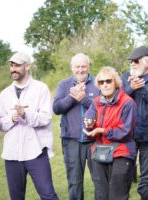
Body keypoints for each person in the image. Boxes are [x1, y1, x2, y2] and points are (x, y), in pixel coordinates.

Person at [0, 52, 58, 200]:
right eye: (11, 65)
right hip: (12, 154)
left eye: (17, 65)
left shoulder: (40, 89)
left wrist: (25, 115)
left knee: (48, 195)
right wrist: (12, 118)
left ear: (27, 66)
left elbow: (45, 118)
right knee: (16, 197)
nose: (13, 69)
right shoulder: (5, 94)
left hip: (36, 151)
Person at [83, 66, 137, 200]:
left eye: (108, 81)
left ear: (116, 82)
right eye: (101, 82)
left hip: (121, 151)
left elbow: (125, 132)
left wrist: (102, 130)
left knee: (116, 195)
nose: (105, 85)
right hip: (100, 151)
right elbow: (89, 122)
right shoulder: (95, 103)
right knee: (102, 195)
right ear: (98, 85)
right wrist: (89, 126)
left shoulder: (127, 103)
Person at [53, 53, 100, 200]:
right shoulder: (64, 85)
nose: (81, 70)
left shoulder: (98, 83)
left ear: (89, 67)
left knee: (100, 181)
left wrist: (84, 99)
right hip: (72, 140)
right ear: (72, 68)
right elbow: (56, 108)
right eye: (77, 66)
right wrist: (72, 97)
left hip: (96, 140)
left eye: (84, 66)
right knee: (74, 182)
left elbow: (104, 109)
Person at [121, 46, 148, 200]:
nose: (133, 64)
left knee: (147, 173)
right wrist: (131, 88)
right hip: (129, 133)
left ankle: (144, 197)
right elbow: (118, 100)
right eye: (131, 61)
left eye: (136, 61)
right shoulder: (124, 77)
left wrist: (141, 88)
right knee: (125, 170)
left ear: (147, 62)